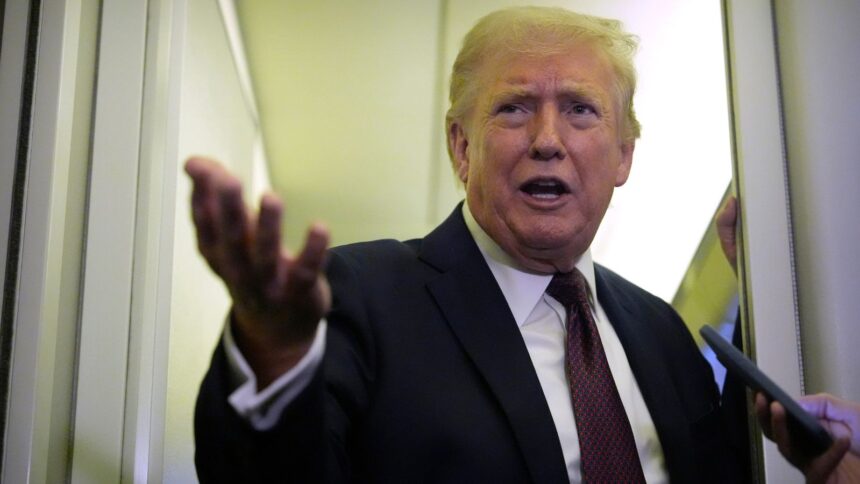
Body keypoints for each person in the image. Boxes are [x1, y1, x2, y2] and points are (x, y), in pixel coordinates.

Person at [187, 6, 847, 483]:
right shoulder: (360, 295)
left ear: (623, 155)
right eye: (514, 107)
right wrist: (272, 359)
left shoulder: (666, 336)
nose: (548, 139)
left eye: (581, 110)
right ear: (461, 145)